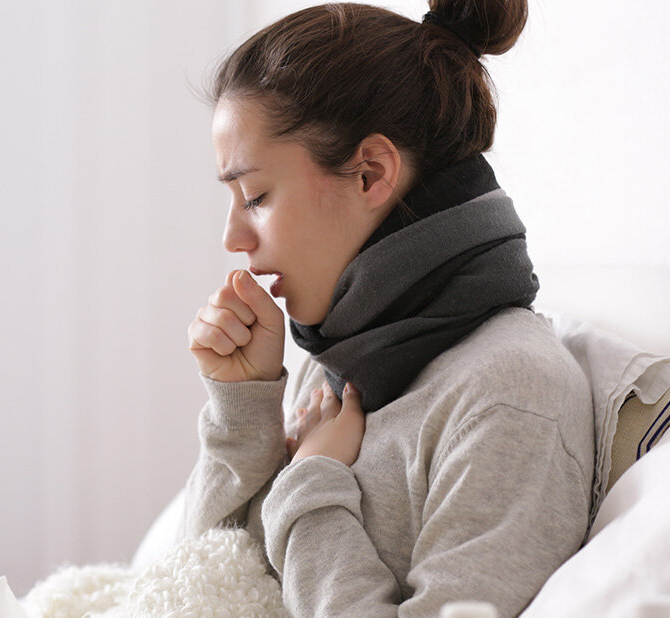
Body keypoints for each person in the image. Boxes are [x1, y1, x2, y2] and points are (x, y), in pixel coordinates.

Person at [184, 1, 594, 615]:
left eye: (256, 196)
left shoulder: (508, 395)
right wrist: (243, 407)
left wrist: (311, 484)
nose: (232, 239)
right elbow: (203, 585)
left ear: (370, 174)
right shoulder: (328, 362)